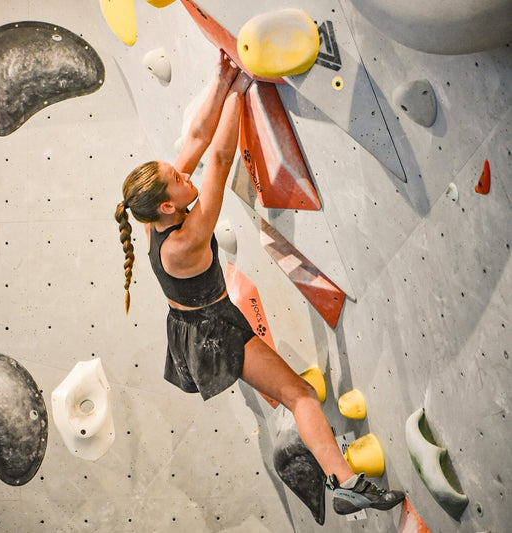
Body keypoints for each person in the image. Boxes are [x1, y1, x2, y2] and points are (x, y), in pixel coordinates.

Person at [115, 50, 404, 517]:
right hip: (211, 333)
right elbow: (221, 158)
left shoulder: (152, 216)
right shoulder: (185, 239)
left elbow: (195, 136)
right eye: (175, 178)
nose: (181, 171)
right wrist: (242, 89)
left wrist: (221, 76)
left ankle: (343, 480)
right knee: (299, 394)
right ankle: (346, 484)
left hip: (199, 321)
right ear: (167, 207)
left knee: (294, 392)